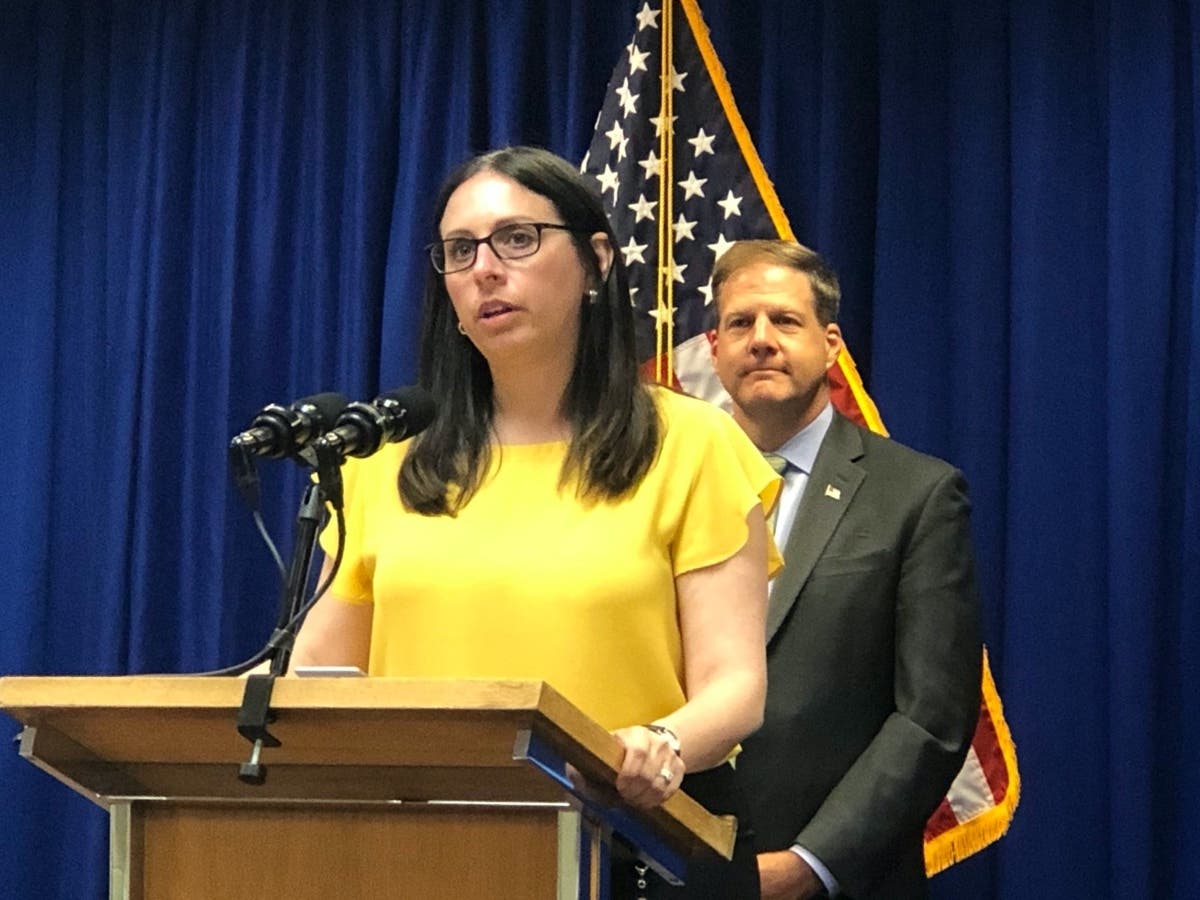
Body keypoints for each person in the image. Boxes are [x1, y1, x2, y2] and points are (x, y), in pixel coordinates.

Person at [290, 146, 780, 898]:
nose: (485, 269)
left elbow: (735, 685)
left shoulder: (691, 444)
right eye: (460, 250)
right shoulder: (382, 462)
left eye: (517, 239)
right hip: (422, 852)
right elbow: (317, 680)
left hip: (634, 845)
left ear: (596, 262)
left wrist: (660, 744)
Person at [706, 239, 982, 899]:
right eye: (741, 323)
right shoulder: (661, 484)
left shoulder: (916, 495)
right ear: (713, 347)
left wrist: (811, 864)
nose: (761, 340)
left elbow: (931, 716)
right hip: (673, 865)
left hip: (837, 881)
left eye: (785, 320)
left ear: (830, 344)